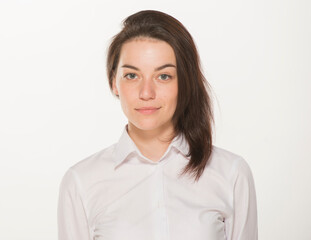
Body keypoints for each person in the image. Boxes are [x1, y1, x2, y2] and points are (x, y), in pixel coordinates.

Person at [57, 10, 258, 240]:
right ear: (114, 82)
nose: (146, 93)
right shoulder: (81, 182)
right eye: (132, 75)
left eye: (163, 76)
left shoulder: (231, 174)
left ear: (185, 82)